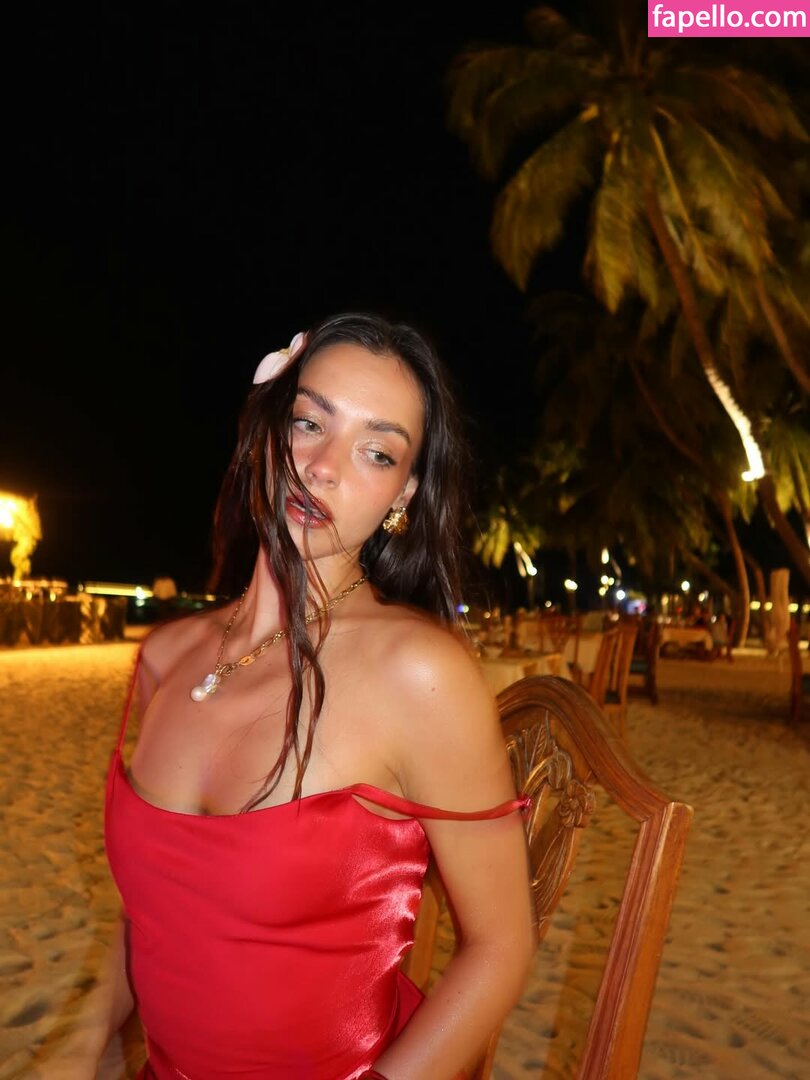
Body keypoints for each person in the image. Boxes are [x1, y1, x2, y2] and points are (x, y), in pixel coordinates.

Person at [37, 312, 534, 1079]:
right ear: (265, 431)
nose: (324, 467)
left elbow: (502, 946)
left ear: (402, 495)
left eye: (375, 451)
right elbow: (157, 913)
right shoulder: (167, 658)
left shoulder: (418, 675)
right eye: (308, 422)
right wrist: (82, 1039)